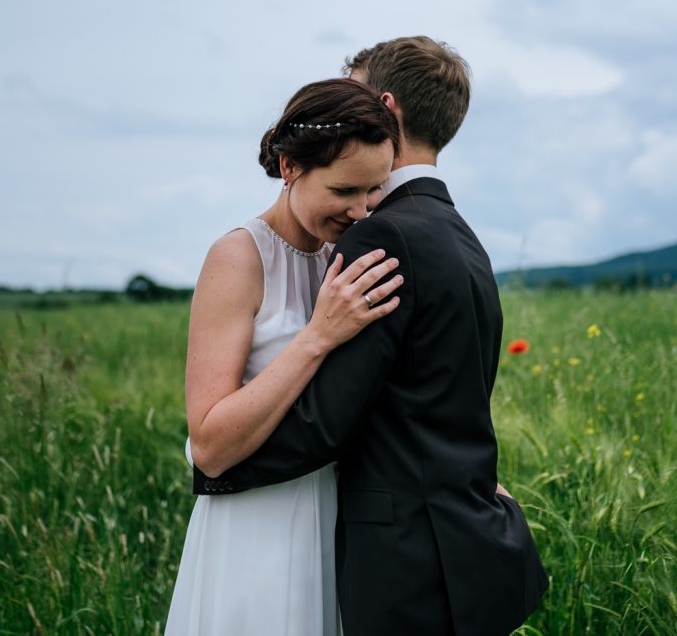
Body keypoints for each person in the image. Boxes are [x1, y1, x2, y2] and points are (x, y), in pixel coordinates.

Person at [195, 36, 549, 635]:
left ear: (388, 108)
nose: (358, 208)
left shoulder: (379, 237)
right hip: (370, 529)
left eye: (357, 95)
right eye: (344, 192)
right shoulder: (463, 237)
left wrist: (213, 470)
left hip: (395, 544)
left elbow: (330, 419)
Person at [165, 78, 404, 635]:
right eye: (344, 190)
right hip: (255, 530)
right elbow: (209, 444)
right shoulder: (238, 257)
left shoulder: (343, 257)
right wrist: (318, 335)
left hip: (340, 522)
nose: (362, 211)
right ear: (290, 166)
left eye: (373, 192)